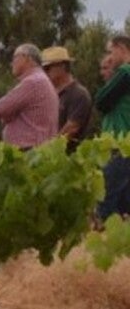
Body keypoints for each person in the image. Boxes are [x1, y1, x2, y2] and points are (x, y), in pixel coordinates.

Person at [0, 44, 59, 149]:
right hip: (39, 148)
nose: (12, 63)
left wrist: (10, 115)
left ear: (27, 58)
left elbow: (0, 108)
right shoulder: (42, 79)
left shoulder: (32, 82)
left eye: (15, 57)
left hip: (28, 150)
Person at [95, 34, 130, 222]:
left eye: (111, 52)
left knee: (106, 199)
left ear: (121, 49)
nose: (110, 57)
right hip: (125, 145)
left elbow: (100, 101)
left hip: (119, 143)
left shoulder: (125, 72)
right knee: (124, 204)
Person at [41, 46, 93, 153]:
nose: (44, 73)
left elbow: (71, 129)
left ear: (62, 66)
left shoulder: (79, 94)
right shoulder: (50, 94)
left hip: (70, 158)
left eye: (47, 68)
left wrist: (46, 151)